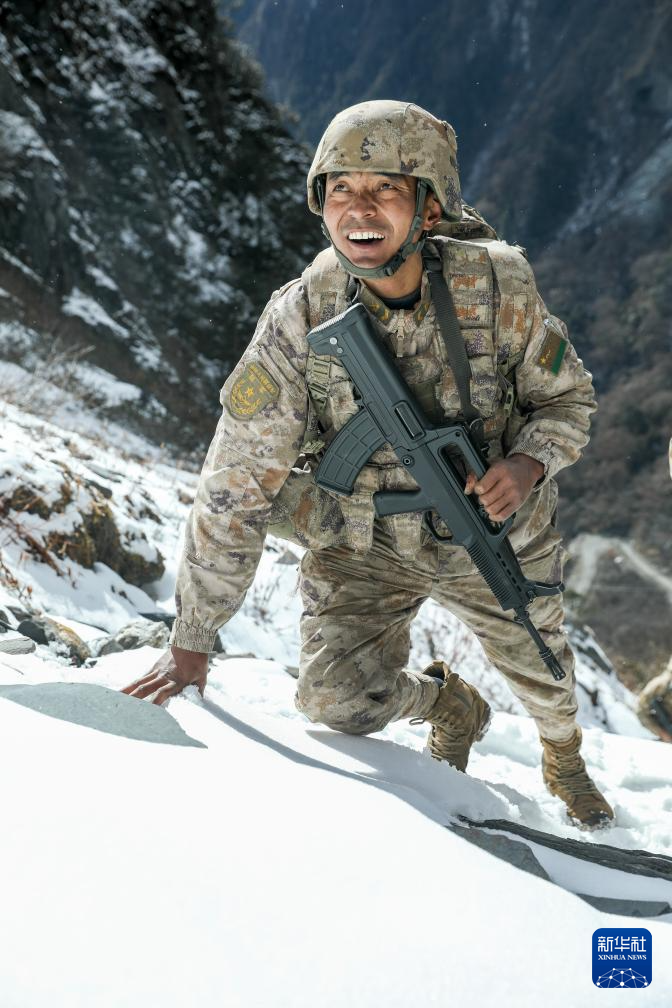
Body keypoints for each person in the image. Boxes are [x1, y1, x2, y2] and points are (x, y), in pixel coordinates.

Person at [123, 100, 613, 829]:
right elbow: (237, 479)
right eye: (341, 189)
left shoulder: (497, 286)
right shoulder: (303, 312)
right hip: (363, 540)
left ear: (430, 207)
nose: (360, 210)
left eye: (386, 188)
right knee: (332, 703)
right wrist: (192, 641)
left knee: (545, 671)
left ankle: (564, 760)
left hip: (492, 532)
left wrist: (527, 465)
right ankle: (450, 705)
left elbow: (567, 400)